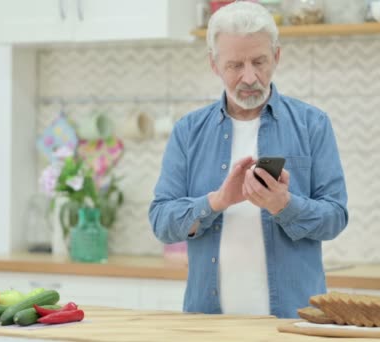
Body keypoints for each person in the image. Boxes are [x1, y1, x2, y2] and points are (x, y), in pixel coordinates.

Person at [148, 1, 348, 318]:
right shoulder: (188, 131)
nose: (250, 77)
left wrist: (285, 205)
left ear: (277, 57)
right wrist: (216, 201)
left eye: (259, 61)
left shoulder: (313, 124)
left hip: (293, 323)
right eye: (235, 65)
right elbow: (161, 221)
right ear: (214, 65)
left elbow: (336, 216)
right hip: (207, 324)